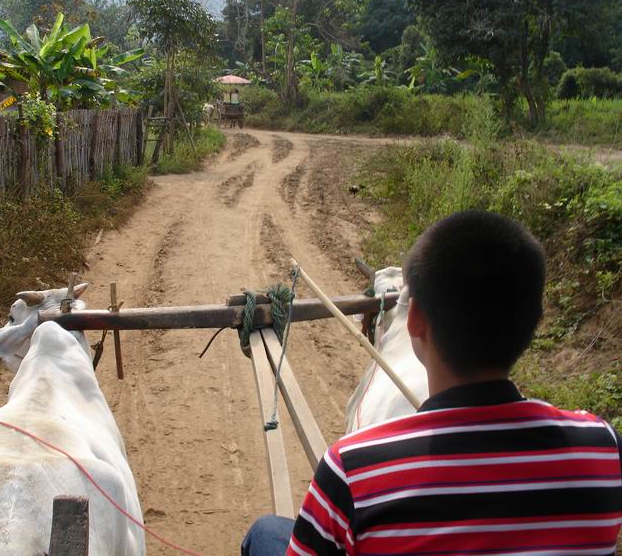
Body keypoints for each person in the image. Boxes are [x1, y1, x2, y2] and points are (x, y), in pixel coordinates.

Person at [242, 210, 622, 556]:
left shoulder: (351, 469)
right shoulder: (604, 447)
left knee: (265, 533)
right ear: (536, 322)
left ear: (416, 319)